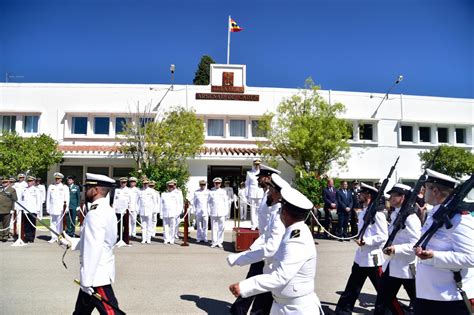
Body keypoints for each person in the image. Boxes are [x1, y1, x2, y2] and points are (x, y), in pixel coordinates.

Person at [229, 186, 322, 314]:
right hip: (281, 305)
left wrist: (245, 286)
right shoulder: (292, 232)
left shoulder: (297, 239)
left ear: (284, 213)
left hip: (297, 309)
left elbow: (281, 276)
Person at [59, 173, 121, 315]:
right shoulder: (105, 210)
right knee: (80, 312)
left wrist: (86, 280)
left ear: (96, 190)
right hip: (95, 272)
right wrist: (70, 242)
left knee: (111, 313)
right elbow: (97, 241)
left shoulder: (95, 213)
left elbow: (94, 247)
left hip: (96, 275)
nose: (85, 190)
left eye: (88, 187)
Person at [228, 173, 289, 315]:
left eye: (261, 177)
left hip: (268, 247)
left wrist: (252, 250)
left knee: (257, 280)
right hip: (263, 242)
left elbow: (273, 228)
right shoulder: (266, 195)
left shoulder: (275, 202)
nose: (259, 180)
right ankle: (242, 309)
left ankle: (242, 310)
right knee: (258, 280)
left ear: (268, 179)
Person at [414, 169, 473, 314]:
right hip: (427, 292)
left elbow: (471, 257)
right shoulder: (434, 212)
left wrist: (434, 256)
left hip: (449, 298)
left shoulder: (458, 218)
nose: (423, 191)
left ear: (435, 190)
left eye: (425, 187)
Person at [335, 183, 388, 315]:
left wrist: (366, 241)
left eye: (362, 193)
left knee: (383, 291)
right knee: (352, 287)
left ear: (369, 196)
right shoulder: (364, 212)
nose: (359, 195)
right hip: (361, 258)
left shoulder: (378, 214)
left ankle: (391, 312)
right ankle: (342, 311)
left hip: (372, 259)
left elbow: (383, 236)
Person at [374, 183, 421, 315]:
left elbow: (416, 244)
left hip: (406, 268)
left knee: (418, 301)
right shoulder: (396, 214)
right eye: (391, 195)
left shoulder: (411, 218)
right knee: (382, 301)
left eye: (395, 195)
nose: (391, 198)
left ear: (404, 197)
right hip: (392, 265)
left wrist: (396, 249)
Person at [46, 172, 70, 243]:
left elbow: (67, 198)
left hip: (60, 208)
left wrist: (67, 208)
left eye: (58, 178)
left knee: (60, 223)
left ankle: (59, 236)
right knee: (52, 223)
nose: (57, 180)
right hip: (52, 207)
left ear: (61, 179)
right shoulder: (51, 186)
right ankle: (53, 237)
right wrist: (48, 207)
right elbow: (48, 198)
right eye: (56, 178)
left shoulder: (64, 187)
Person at [19, 176, 42, 243]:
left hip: (33, 209)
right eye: (28, 181)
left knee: (32, 224)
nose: (29, 182)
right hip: (25, 210)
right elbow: (21, 199)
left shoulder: (36, 190)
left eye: (31, 181)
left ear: (34, 182)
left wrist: (38, 210)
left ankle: (31, 237)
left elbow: (39, 200)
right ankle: (27, 236)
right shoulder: (24, 189)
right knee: (26, 224)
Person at [209, 177, 229, 248]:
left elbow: (226, 202)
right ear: (214, 183)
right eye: (216, 183)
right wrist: (209, 211)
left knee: (221, 227)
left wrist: (226, 212)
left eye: (219, 183)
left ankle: (220, 241)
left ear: (220, 184)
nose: (217, 184)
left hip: (222, 212)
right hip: (213, 212)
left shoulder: (223, 191)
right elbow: (208, 202)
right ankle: (214, 242)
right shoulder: (211, 191)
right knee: (214, 227)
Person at [161, 180, 181, 245]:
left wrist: (177, 213)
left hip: (173, 213)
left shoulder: (176, 195)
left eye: (172, 186)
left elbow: (178, 205)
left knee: (172, 227)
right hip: (165, 213)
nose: (171, 188)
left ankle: (172, 239)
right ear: (167, 187)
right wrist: (161, 213)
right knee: (165, 227)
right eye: (169, 186)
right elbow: (161, 205)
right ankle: (166, 239)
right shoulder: (163, 194)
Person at [137, 179, 157, 244]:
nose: (145, 185)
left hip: (149, 210)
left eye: (146, 183)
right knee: (143, 226)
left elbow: (155, 201)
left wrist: (154, 210)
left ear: (148, 184)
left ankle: (148, 239)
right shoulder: (140, 191)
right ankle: (143, 238)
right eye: (144, 183)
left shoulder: (152, 191)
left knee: (149, 225)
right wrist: (137, 210)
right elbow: (137, 202)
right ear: (142, 184)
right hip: (142, 210)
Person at [246, 159, 264, 230]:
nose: (257, 166)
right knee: (253, 209)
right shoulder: (249, 173)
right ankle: (253, 225)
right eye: (255, 164)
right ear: (253, 165)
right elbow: (247, 184)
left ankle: (259, 224)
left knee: (260, 209)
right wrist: (247, 194)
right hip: (252, 193)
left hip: (260, 193)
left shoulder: (262, 173)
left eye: (258, 164)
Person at [113, 177, 132, 244]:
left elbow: (131, 200)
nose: (123, 184)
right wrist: (114, 209)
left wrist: (130, 209)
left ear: (126, 183)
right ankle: (119, 238)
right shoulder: (117, 190)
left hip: (125, 210)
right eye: (122, 182)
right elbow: (115, 200)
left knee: (126, 225)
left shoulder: (129, 190)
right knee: (119, 225)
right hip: (118, 210)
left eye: (124, 182)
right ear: (120, 183)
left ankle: (126, 240)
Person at [0, 176, 17, 242]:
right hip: (0, 209)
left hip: (7, 209)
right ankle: (1, 235)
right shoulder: (0, 189)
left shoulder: (12, 190)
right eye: (3, 182)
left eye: (5, 182)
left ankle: (5, 236)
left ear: (9, 182)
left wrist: (12, 209)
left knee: (6, 224)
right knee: (0, 224)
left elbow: (14, 199)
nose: (4, 183)